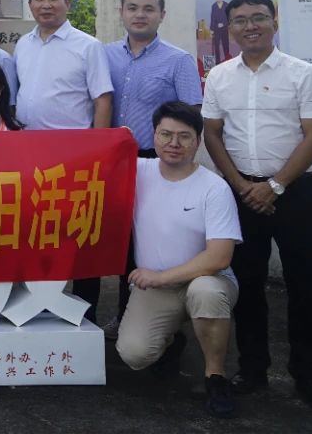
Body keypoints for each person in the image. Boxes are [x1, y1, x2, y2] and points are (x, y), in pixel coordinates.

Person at [202, 0, 312, 410]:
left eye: (258, 17)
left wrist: (274, 185)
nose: (250, 26)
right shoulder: (219, 76)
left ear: (274, 22)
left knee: (303, 287)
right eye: (240, 20)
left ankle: (307, 376)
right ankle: (253, 369)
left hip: (297, 193)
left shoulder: (304, 73)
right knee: (248, 284)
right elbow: (212, 135)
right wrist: (241, 185)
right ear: (230, 28)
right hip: (242, 193)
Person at [116, 101, 242, 419]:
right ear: (154, 136)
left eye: (184, 136)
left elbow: (219, 256)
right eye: (166, 134)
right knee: (134, 354)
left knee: (205, 293)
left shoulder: (214, 188)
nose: (174, 143)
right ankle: (172, 339)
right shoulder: (137, 171)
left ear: (198, 141)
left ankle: (215, 377)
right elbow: (90, 163)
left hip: (206, 279)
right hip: (157, 287)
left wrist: (160, 277)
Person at [102, 0, 203, 338]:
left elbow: (192, 117)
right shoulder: (104, 55)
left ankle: (167, 324)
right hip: (113, 161)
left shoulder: (178, 60)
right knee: (121, 241)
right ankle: (124, 315)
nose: (140, 15)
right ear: (121, 12)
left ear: (162, 15)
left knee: (154, 239)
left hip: (157, 160)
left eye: (148, 8)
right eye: (132, 8)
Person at [13, 0, 113, 321]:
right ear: (30, 4)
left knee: (79, 237)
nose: (46, 5)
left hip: (75, 159)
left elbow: (102, 99)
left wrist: (99, 152)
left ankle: (86, 315)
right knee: (37, 234)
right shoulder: (23, 45)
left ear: (68, 3)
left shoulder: (88, 46)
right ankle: (39, 308)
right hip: (30, 157)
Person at [209, 0, 230, 64]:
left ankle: (228, 60)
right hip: (216, 29)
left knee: (225, 45)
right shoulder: (214, 6)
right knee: (216, 47)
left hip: (224, 29)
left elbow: (229, 17)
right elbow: (212, 18)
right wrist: (211, 30)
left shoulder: (226, 5)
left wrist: (223, 24)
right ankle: (217, 63)